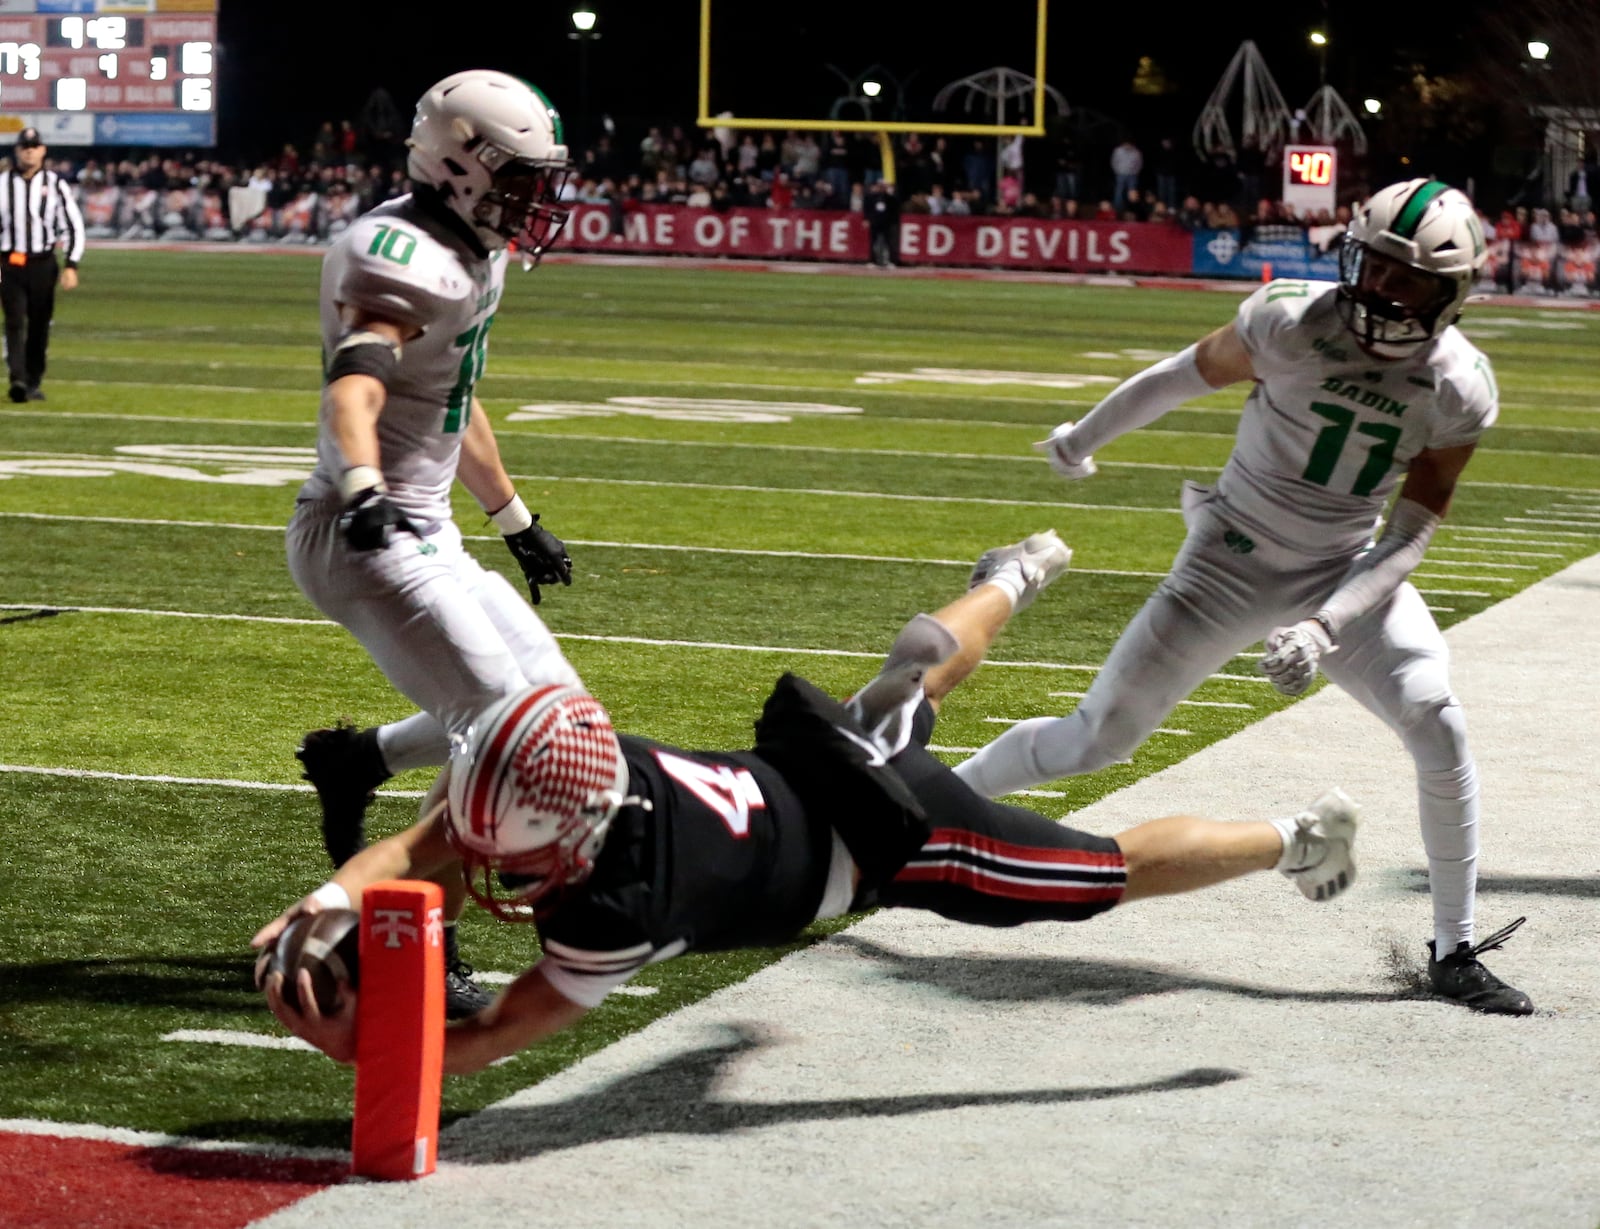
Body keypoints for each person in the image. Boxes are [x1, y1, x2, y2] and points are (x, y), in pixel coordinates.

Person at [255, 531, 1362, 1070]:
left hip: (889, 846)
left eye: (519, 858)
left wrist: (358, 1048)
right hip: (804, 764)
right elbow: (416, 842)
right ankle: (1011, 575)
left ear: (580, 834)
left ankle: (1292, 836)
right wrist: (322, 906)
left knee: (1089, 876)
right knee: (908, 681)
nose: (484, 863)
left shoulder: (619, 905)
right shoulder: (563, 765)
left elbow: (492, 1032)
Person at [953, 179, 1533, 1016]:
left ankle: (1455, 945)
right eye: (1373, 267)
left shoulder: (1459, 384)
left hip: (1340, 572)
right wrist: (1085, 437)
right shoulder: (1290, 318)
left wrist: (1328, 622)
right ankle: (913, 809)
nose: (1382, 292)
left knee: (1438, 720)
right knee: (1095, 738)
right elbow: (1186, 373)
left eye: (1408, 280)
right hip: (1227, 563)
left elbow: (1409, 533)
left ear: (1451, 295)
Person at [285, 69, 586, 1016]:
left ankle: (359, 760)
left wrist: (516, 519)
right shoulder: (404, 252)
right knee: (501, 733)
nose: (537, 200)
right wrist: (368, 486)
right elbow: (357, 388)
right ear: (460, 163)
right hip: (360, 531)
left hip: (425, 526)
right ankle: (409, 935)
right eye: (523, 178)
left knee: (561, 714)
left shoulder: (472, 249)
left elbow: (452, 394)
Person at [0, 128, 85, 403]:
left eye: (34, 146)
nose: (29, 151)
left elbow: (73, 225)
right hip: (10, 263)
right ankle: (18, 379)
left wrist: (72, 263)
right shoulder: (1, 184)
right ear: (16, 150)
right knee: (14, 321)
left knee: (39, 324)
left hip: (42, 264)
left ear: (43, 150)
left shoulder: (56, 184)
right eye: (25, 146)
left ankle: (32, 379)